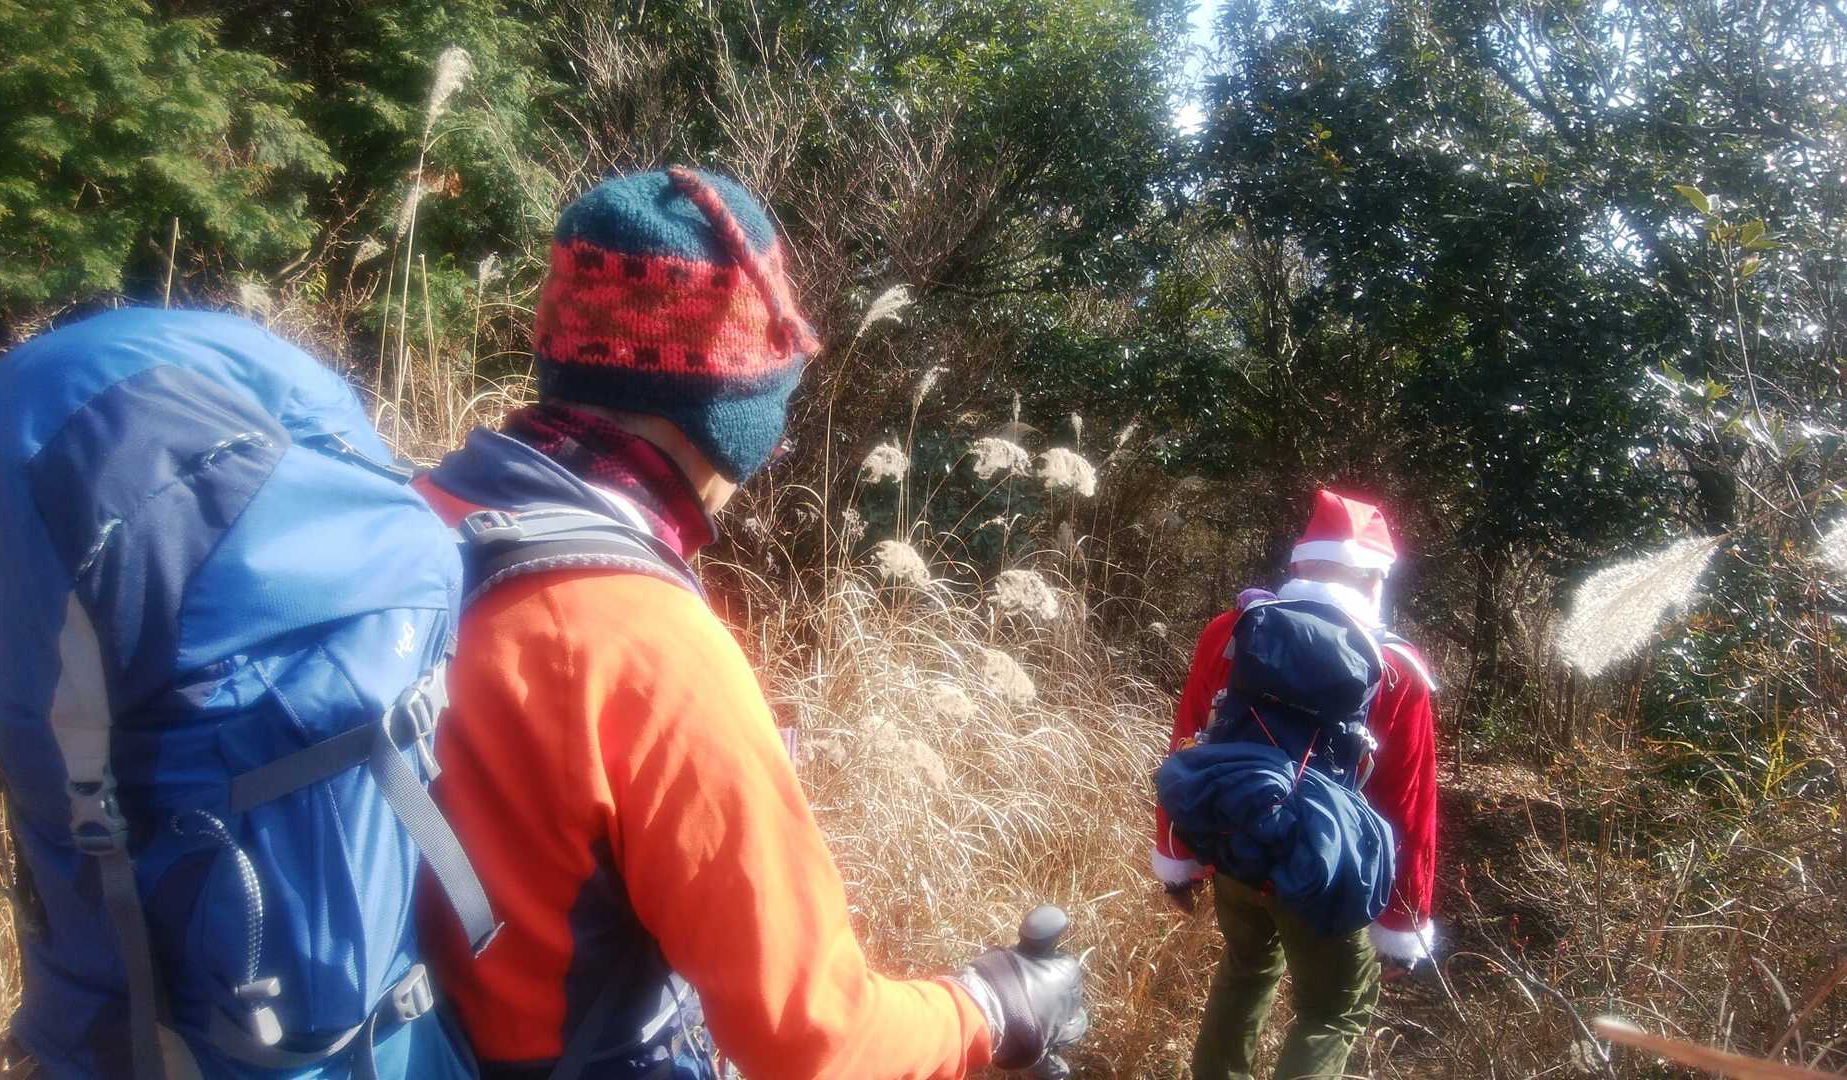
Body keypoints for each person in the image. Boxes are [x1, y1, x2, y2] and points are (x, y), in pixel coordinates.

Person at [414, 167, 1085, 1079]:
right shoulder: (647, 647)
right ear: (732, 419)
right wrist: (991, 1009)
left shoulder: (411, 522)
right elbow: (811, 1041)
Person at [1151, 490, 1438, 1080]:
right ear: (1374, 579)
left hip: (1237, 844)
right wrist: (1402, 919)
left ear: (1300, 564)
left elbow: (1187, 741)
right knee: (1334, 1010)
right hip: (1328, 868)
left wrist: (1178, 857)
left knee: (1245, 971)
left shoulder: (1232, 631)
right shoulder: (1396, 668)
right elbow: (1408, 805)